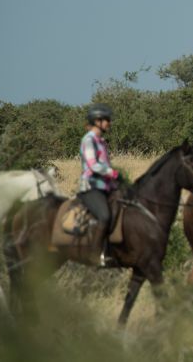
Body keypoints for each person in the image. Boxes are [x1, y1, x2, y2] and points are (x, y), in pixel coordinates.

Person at [79, 103, 121, 266]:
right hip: (91, 187)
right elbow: (93, 165)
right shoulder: (88, 140)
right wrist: (112, 173)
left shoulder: (101, 141)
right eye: (106, 120)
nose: (109, 123)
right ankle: (94, 254)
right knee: (104, 215)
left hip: (105, 186)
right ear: (97, 121)